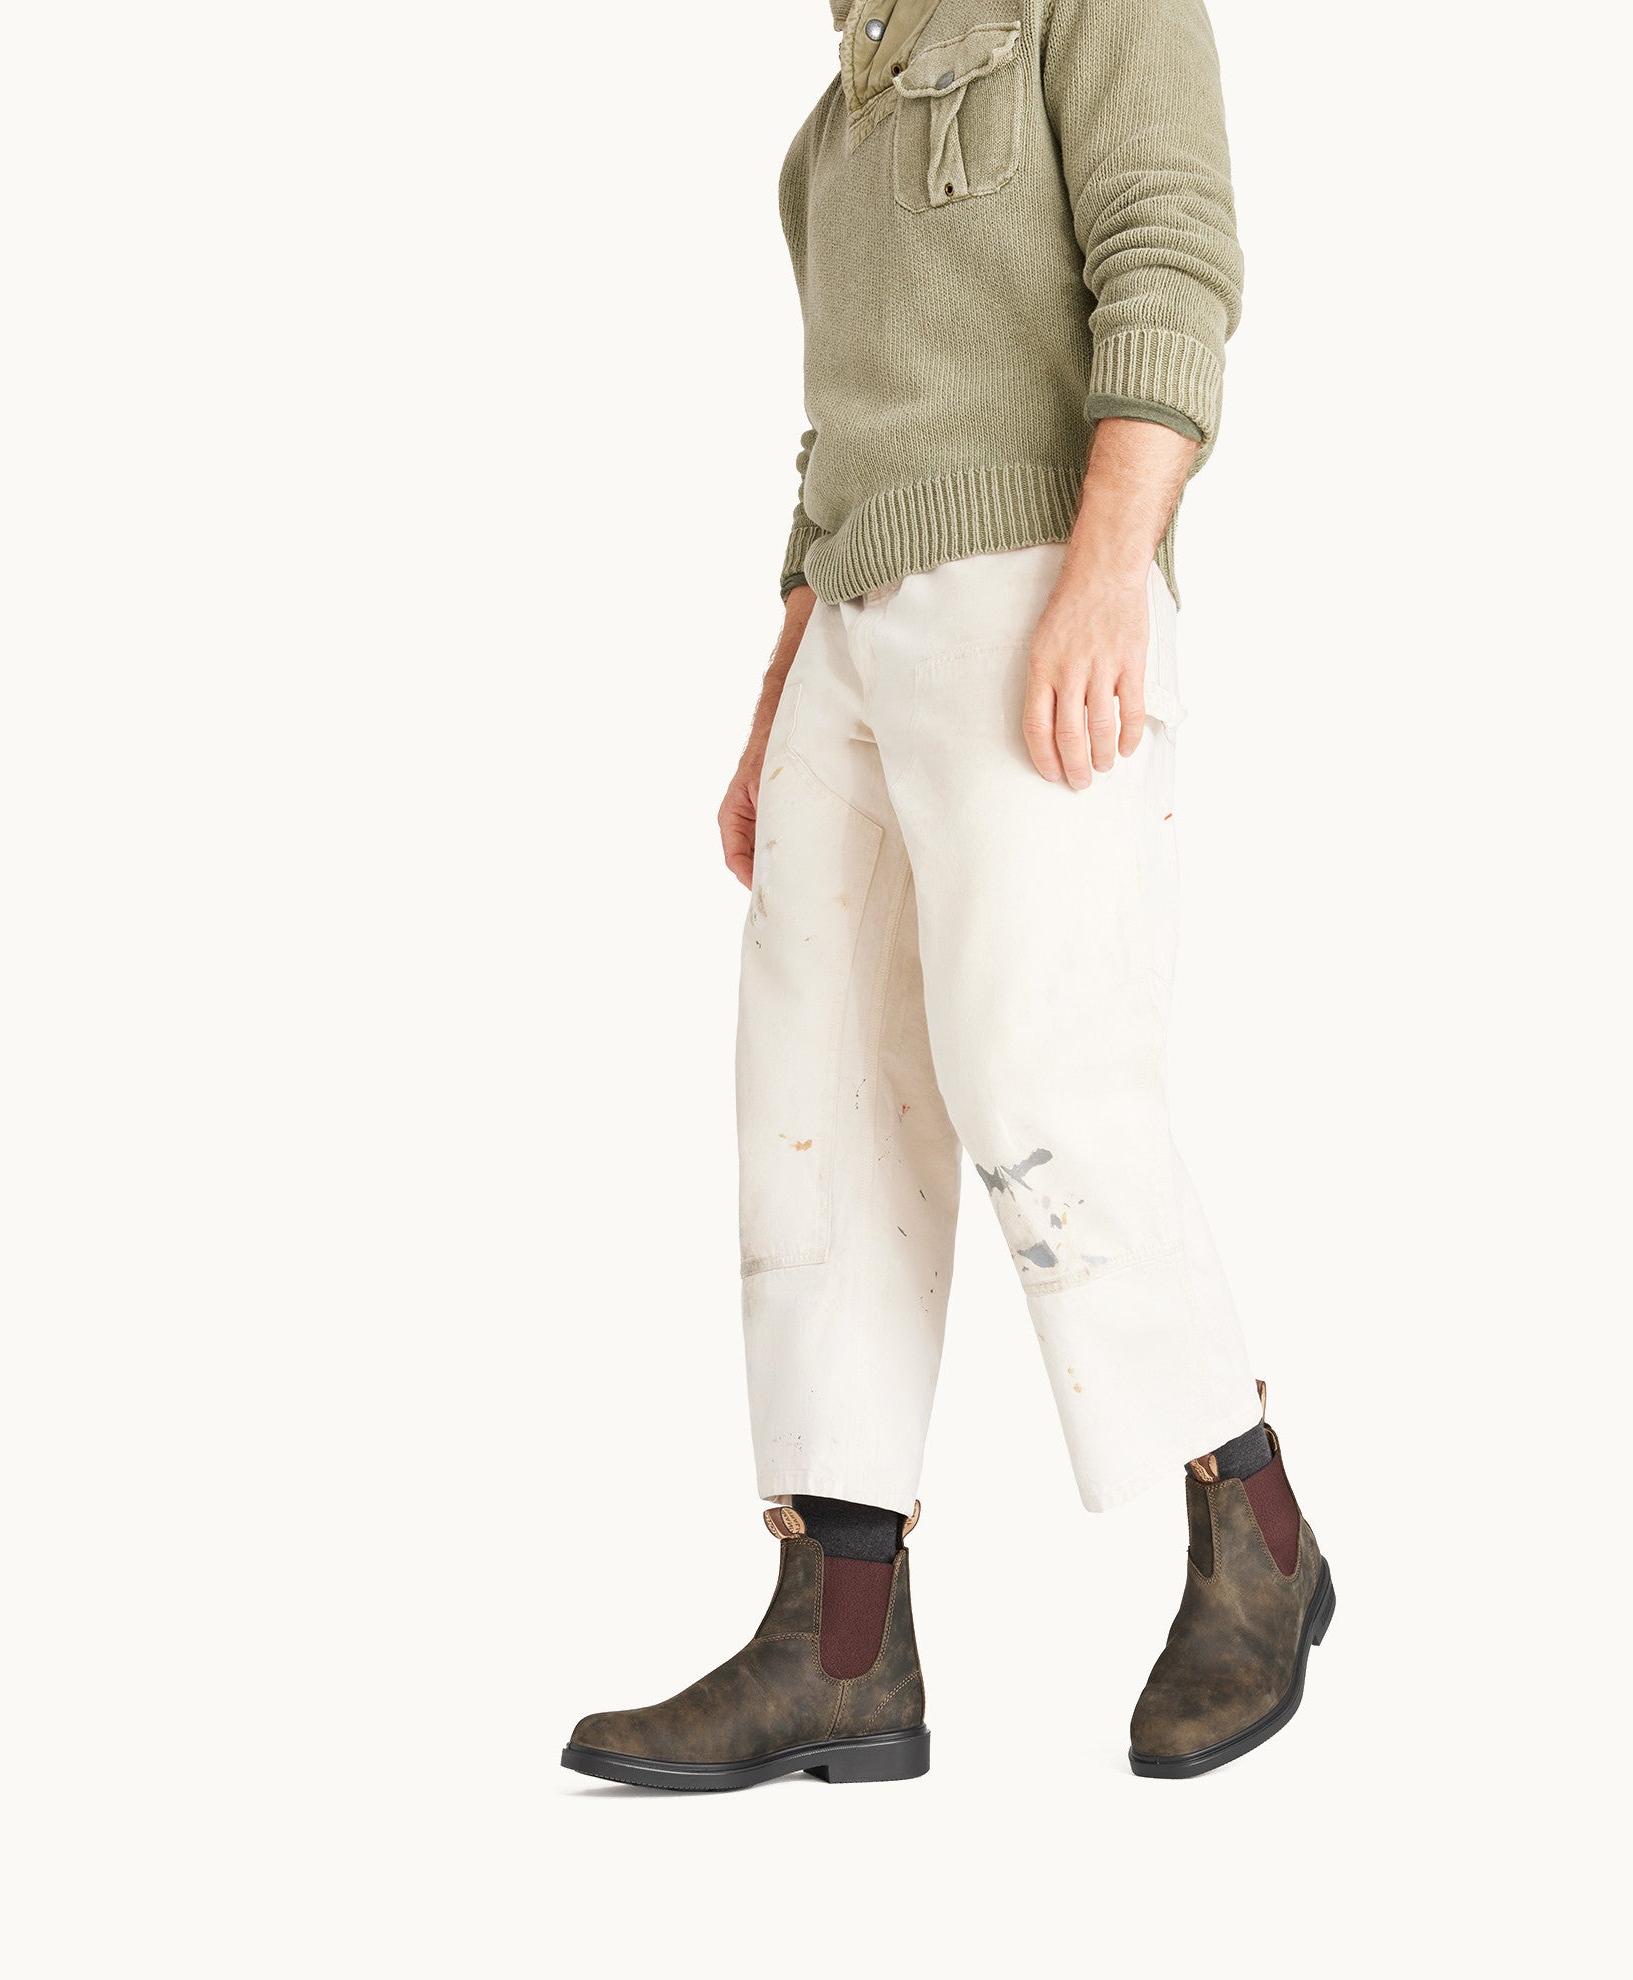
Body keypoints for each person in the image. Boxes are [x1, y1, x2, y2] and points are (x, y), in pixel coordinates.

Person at [562, 0, 1332, 1790]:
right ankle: (839, 1642)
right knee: (813, 1101)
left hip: (1032, 589)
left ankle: (1259, 1536)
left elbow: (1171, 257)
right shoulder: (826, 130)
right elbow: (830, 451)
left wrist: (1111, 570)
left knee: (1040, 1069)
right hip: (852, 618)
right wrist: (774, 705)